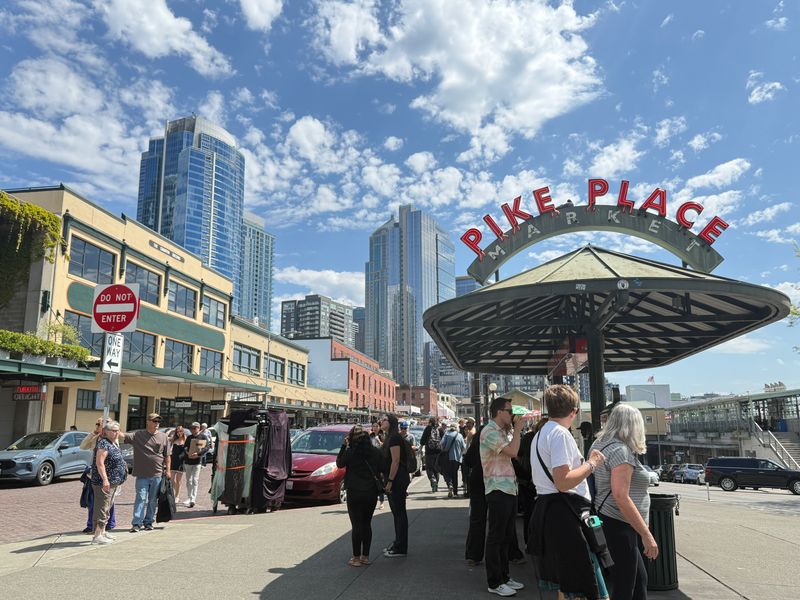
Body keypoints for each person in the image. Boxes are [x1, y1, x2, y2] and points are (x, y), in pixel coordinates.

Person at [530, 385, 608, 599]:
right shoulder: (560, 434)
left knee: (565, 583)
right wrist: (592, 463)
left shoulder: (540, 434)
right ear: (573, 411)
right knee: (583, 580)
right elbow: (563, 482)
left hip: (550, 511)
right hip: (568, 514)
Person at [590, 403, 658, 600]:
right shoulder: (621, 451)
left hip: (609, 520)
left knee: (636, 581)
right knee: (626, 585)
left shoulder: (599, 444)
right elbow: (621, 495)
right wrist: (646, 535)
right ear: (632, 425)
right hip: (621, 524)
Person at [480, 396, 529, 597]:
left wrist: (513, 430)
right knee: (496, 537)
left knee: (506, 537)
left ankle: (504, 577)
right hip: (497, 489)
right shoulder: (489, 431)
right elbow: (513, 452)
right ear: (499, 412)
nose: (512, 415)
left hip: (508, 488)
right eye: (509, 411)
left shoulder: (500, 431)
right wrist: (517, 430)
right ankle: (494, 581)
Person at [336, 425, 383, 566]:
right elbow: (381, 468)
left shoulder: (350, 452)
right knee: (367, 524)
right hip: (371, 492)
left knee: (356, 525)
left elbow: (339, 464)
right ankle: (365, 557)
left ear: (351, 439)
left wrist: (344, 446)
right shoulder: (375, 452)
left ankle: (356, 558)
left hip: (354, 492)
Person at [122, 412, 171, 532]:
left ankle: (149, 522)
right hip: (142, 474)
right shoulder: (138, 435)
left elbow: (167, 456)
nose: (157, 423)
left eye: (158, 421)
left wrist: (168, 470)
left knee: (153, 499)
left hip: (157, 474)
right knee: (140, 498)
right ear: (148, 422)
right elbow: (121, 435)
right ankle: (136, 523)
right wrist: (109, 425)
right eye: (154, 421)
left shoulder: (163, 437)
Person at [90, 420, 126, 545]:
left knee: (107, 507)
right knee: (102, 508)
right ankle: (97, 535)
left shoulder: (113, 443)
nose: (116, 433)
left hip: (114, 481)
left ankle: (103, 531)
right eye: (113, 431)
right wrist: (105, 480)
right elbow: (99, 463)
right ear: (106, 432)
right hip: (103, 482)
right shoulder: (104, 443)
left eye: (117, 430)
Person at [81, 418, 116, 533]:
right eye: (97, 424)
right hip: (94, 475)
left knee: (108, 501)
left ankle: (109, 524)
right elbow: (83, 446)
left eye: (100, 424)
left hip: (108, 475)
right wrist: (93, 433)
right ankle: (91, 525)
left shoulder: (111, 440)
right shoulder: (95, 439)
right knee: (93, 501)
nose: (98, 426)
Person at [381, 414, 409, 558]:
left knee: (399, 513)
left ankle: (401, 547)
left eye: (384, 419)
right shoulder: (389, 438)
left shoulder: (394, 438)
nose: (381, 421)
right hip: (394, 479)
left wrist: (390, 481)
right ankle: (398, 543)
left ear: (390, 423)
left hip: (397, 480)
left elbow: (396, 461)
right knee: (397, 513)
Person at [183, 422, 208, 508]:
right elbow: (185, 446)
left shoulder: (203, 437)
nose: (192, 430)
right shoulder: (189, 437)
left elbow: (206, 447)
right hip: (188, 461)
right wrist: (187, 452)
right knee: (188, 481)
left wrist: (198, 454)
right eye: (191, 428)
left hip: (197, 461)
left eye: (194, 428)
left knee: (195, 480)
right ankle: (189, 497)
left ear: (198, 428)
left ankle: (193, 499)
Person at [441, 423, 466, 498]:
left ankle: (450, 484)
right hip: (457, 458)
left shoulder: (446, 434)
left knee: (446, 472)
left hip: (447, 457)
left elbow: (441, 444)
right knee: (454, 474)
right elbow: (463, 447)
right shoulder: (460, 435)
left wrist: (445, 449)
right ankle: (455, 492)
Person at [420, 416, 442, 492]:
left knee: (429, 468)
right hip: (438, 452)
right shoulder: (440, 429)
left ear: (430, 421)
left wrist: (421, 446)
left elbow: (422, 440)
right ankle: (436, 486)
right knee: (437, 469)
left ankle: (433, 480)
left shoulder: (427, 429)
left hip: (429, 452)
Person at [369, 421, 385, 510]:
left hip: (380, 461)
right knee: (372, 483)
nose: (374, 428)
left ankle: (382, 502)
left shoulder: (382, 436)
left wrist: (379, 441)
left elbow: (385, 447)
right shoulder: (370, 436)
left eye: (376, 426)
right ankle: (373, 501)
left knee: (379, 482)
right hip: (371, 462)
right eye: (373, 426)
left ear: (379, 427)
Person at [170, 425, 187, 503]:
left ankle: (177, 496)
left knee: (178, 481)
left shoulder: (185, 439)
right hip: (173, 460)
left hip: (181, 461)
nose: (179, 433)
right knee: (172, 479)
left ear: (182, 432)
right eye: (177, 431)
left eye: (180, 431)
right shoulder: (173, 440)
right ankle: (173, 493)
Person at [462, 417, 477, 496]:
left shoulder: (472, 432)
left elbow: (468, 443)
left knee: (468, 475)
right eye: (467, 423)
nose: (467, 424)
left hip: (469, 455)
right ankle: (468, 491)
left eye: (468, 423)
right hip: (468, 454)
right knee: (467, 475)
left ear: (472, 423)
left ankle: (469, 491)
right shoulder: (470, 431)